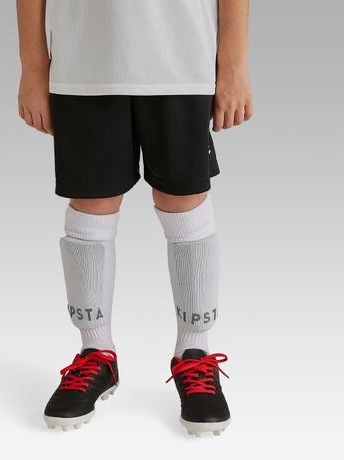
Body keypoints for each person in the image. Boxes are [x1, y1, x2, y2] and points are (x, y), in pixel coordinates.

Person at [16, 0, 252, 437]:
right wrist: (33, 69)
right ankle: (96, 353)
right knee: (91, 204)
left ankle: (195, 353)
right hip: (85, 60)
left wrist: (233, 65)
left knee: (184, 201)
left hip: (182, 56)